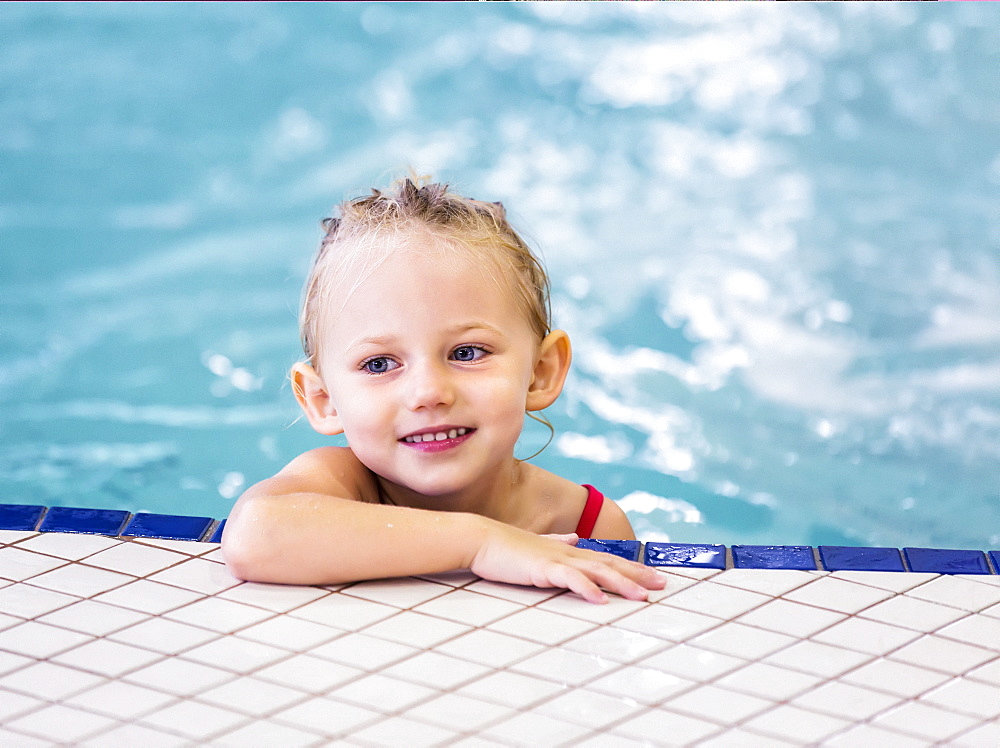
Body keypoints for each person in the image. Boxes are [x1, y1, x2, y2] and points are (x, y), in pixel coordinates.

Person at [222, 178, 665, 604]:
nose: (429, 392)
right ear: (324, 400)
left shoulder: (588, 523)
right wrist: (482, 543)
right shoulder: (339, 487)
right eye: (379, 364)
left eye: (467, 353)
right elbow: (253, 533)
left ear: (540, 371)